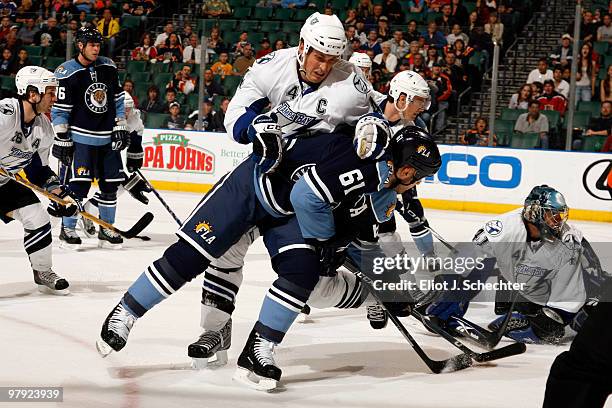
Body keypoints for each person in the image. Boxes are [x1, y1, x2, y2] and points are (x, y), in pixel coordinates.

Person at [95, 11, 381, 389]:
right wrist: (255, 130)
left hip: (300, 196)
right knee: (192, 254)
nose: (323, 65)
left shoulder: (352, 83)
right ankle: (126, 312)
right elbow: (235, 117)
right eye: (317, 55)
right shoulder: (270, 67)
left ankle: (260, 349)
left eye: (331, 59)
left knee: (301, 272)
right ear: (302, 46)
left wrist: (377, 126)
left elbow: (381, 115)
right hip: (255, 180)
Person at [427, 185, 607, 346]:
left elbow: (582, 283)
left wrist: (558, 318)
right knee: (482, 262)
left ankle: (574, 314)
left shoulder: (569, 242)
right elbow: (469, 255)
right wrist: (450, 288)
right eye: (551, 215)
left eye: (559, 215)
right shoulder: (504, 229)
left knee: (556, 329)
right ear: (534, 212)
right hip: (527, 286)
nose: (558, 221)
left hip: (566, 289)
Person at [0, 66, 76, 296]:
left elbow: (38, 170)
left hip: (4, 183)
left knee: (38, 218)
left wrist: (61, 195)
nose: (55, 98)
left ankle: (42, 270)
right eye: (51, 93)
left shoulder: (43, 127)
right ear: (33, 94)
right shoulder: (5, 114)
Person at [51, 26, 128, 249]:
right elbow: (59, 110)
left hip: (107, 138)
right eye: (91, 45)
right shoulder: (66, 72)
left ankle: (106, 227)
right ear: (80, 46)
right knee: (78, 187)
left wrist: (120, 125)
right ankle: (68, 228)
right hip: (81, 139)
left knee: (110, 185)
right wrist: (62, 136)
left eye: (98, 45)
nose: (96, 49)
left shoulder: (108, 66)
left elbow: (118, 99)